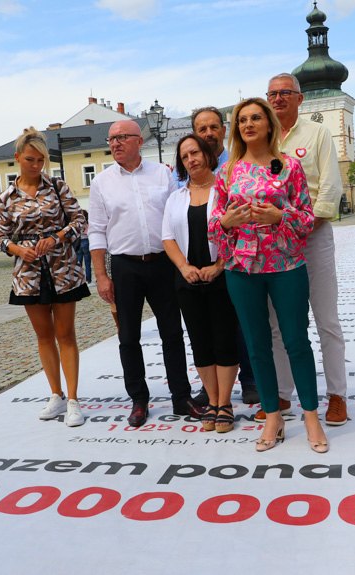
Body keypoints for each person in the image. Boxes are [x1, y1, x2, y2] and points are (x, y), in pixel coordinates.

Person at [208, 97, 328, 453]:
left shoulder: (289, 166)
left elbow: (307, 218)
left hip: (286, 265)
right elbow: (214, 226)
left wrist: (280, 217)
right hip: (241, 269)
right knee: (257, 344)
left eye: (256, 118)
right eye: (242, 120)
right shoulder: (226, 173)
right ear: (236, 129)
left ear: (269, 124)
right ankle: (272, 416)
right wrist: (226, 222)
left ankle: (311, 416)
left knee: (296, 341)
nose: (248, 124)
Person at [89, 120, 203, 427]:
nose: (115, 143)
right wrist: (101, 276)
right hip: (125, 266)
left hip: (164, 263)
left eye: (122, 137)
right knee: (128, 336)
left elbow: (178, 215)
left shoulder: (162, 174)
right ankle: (138, 399)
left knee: (172, 333)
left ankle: (181, 396)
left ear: (140, 141)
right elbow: (97, 232)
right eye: (111, 139)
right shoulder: (101, 182)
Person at [256, 72, 348, 426]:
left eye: (285, 93)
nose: (278, 99)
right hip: (274, 244)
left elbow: (329, 190)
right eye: (272, 94)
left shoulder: (317, 133)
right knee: (279, 325)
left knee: (326, 320)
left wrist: (303, 227)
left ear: (299, 98)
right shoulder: (263, 138)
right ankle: (281, 396)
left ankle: (337, 395)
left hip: (312, 237)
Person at [0, 127, 89, 427]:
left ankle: (73, 400)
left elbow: (79, 220)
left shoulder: (58, 187)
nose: (36, 166)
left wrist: (58, 236)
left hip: (62, 269)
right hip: (28, 273)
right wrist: (16, 250)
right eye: (30, 160)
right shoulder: (7, 196)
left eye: (41, 160)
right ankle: (56, 395)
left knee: (66, 334)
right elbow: (0, 236)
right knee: (44, 336)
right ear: (17, 158)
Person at [163, 134, 240, 432]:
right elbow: (167, 237)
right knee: (200, 343)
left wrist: (219, 266)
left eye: (195, 152)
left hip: (221, 278)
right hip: (188, 280)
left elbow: (239, 231)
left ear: (208, 155)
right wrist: (184, 267)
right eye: (184, 156)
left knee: (223, 339)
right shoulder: (176, 197)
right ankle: (212, 400)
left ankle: (225, 403)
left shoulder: (226, 191)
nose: (191, 159)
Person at [187, 106, 259, 406]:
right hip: (199, 260)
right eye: (201, 128)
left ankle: (251, 380)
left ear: (224, 130)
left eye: (213, 127)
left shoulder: (238, 165)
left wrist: (222, 261)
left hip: (236, 259)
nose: (208, 134)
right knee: (207, 327)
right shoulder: (186, 172)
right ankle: (212, 386)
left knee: (243, 324)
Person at [76, 210, 92, 284]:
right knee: (87, 263)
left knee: (79, 263)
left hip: (78, 241)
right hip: (86, 241)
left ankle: (80, 280)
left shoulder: (78, 223)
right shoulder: (88, 224)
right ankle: (88, 279)